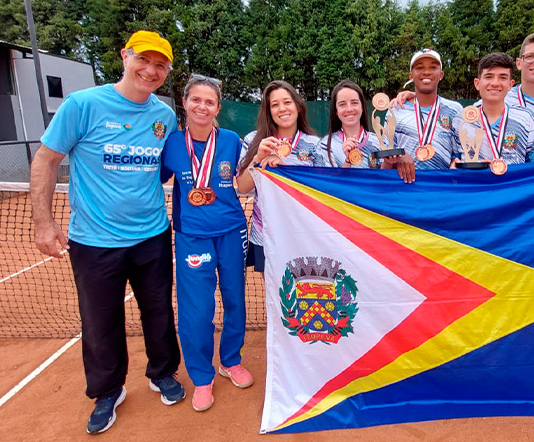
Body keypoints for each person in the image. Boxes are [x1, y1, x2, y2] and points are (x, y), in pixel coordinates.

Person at [30, 30, 184, 435]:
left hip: (152, 235)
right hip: (93, 241)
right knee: (100, 320)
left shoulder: (164, 117)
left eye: (160, 65)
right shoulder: (83, 105)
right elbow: (45, 160)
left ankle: (162, 372)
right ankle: (107, 390)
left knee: (158, 310)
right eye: (144, 60)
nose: (151, 70)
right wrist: (44, 223)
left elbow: (166, 169)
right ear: (124, 56)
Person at [160, 74, 252, 412]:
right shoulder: (171, 144)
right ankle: (202, 377)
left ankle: (230, 360)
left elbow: (243, 181)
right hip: (192, 236)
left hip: (231, 231)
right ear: (185, 103)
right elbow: (152, 182)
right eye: (196, 100)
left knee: (235, 301)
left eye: (209, 102)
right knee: (197, 310)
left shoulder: (231, 140)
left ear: (218, 108)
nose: (202, 106)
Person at [236, 81, 320, 272]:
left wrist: (288, 170)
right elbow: (242, 187)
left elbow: (320, 191)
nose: (282, 109)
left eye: (287, 102)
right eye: (275, 104)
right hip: (266, 234)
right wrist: (258, 158)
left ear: (298, 106)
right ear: (269, 111)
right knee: (275, 296)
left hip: (304, 233)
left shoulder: (315, 145)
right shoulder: (253, 140)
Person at [452, 52, 534, 168]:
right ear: (477, 83)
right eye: (489, 77)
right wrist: (453, 166)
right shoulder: (461, 119)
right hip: (474, 186)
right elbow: (452, 159)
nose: (495, 83)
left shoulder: (525, 118)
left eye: (502, 77)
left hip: (511, 186)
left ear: (510, 84)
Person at [387, 49, 463, 180]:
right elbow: (386, 157)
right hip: (405, 190)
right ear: (411, 75)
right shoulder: (396, 110)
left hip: (441, 190)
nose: (426, 72)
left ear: (441, 74)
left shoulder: (455, 110)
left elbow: (459, 155)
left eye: (433, 67)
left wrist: (456, 164)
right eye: (420, 67)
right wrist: (399, 156)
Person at [315, 80, 382, 169]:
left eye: (354, 103)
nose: (349, 109)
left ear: (362, 107)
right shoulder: (325, 146)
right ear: (336, 110)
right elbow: (324, 182)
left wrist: (390, 162)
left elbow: (385, 179)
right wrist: (347, 162)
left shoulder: (379, 142)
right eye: (342, 104)